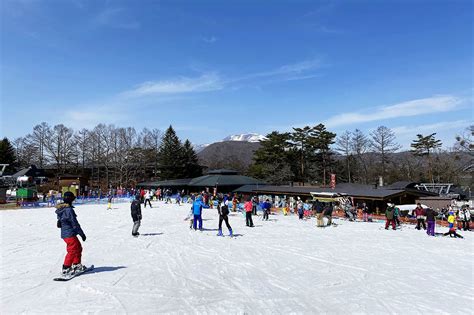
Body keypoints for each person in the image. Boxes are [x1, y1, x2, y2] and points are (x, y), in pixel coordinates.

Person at [55, 191, 87, 275]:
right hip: (69, 233)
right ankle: (66, 267)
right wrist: (81, 234)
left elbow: (61, 218)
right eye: (72, 199)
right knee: (72, 250)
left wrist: (59, 222)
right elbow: (74, 223)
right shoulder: (69, 210)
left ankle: (76, 265)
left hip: (67, 233)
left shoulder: (62, 208)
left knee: (78, 248)